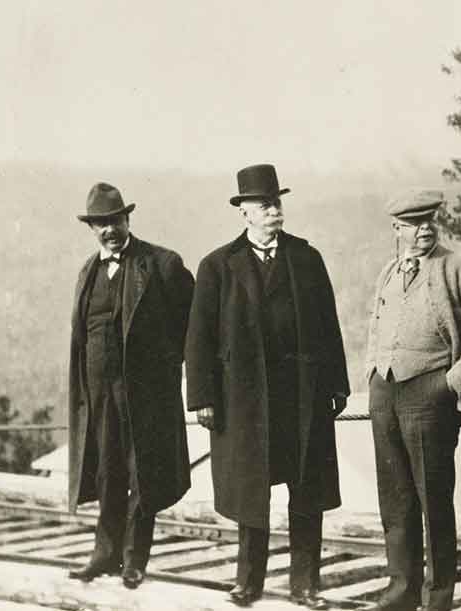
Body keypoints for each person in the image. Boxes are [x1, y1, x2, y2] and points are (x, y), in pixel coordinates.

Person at [185, 164, 349, 609]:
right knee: (250, 490)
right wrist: (202, 398)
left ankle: (305, 583)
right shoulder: (218, 266)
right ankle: (248, 581)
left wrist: (337, 384)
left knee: (306, 489)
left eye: (277, 203)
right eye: (264, 205)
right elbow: (198, 338)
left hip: (302, 395)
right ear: (245, 213)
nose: (274, 211)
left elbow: (328, 327)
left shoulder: (305, 258)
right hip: (245, 401)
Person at [365, 189, 461, 611]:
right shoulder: (389, 270)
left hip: (430, 393)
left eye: (429, 221)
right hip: (386, 392)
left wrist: (452, 383)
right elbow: (376, 328)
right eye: (413, 223)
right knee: (395, 499)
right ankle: (400, 595)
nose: (424, 230)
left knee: (433, 501)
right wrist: (373, 374)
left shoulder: (456, 268)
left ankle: (437, 599)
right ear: (397, 229)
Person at [67, 182, 195, 589]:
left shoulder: (161, 265)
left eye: (115, 220)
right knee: (107, 471)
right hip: (100, 393)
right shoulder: (87, 273)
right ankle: (104, 554)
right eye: (100, 224)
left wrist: (166, 371)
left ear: (128, 218)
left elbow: (193, 327)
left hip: (146, 395)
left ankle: (133, 560)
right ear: (92, 228)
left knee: (144, 474)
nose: (109, 230)